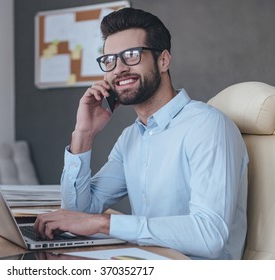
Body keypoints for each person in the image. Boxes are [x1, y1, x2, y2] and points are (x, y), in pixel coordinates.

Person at [34, 7, 248, 260]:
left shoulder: (207, 126)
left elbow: (209, 234)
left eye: (132, 55)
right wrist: (83, 135)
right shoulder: (131, 137)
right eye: (110, 60)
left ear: (163, 60)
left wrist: (104, 224)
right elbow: (78, 212)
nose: (119, 68)